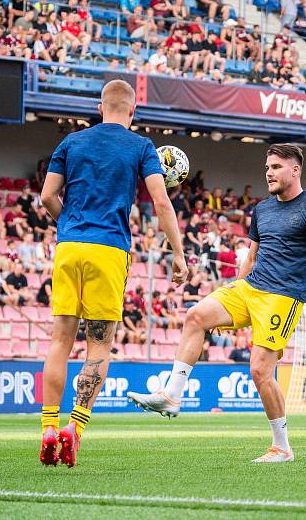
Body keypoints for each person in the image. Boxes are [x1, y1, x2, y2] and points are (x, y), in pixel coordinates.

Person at [127, 143, 306, 463]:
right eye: (267, 167)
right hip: (250, 288)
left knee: (259, 370)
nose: (269, 172)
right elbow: (252, 254)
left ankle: (282, 447)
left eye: (276, 167)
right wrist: (235, 287)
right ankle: (171, 396)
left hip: (283, 298)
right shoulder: (262, 209)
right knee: (196, 315)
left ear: (295, 170)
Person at [38, 80, 188, 468]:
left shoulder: (70, 142)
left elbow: (47, 196)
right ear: (133, 111)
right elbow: (161, 202)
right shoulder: (141, 147)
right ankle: (76, 429)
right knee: (98, 347)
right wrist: (178, 253)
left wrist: (68, 223)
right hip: (109, 250)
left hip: (69, 246)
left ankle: (48, 430)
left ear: (100, 107)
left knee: (60, 341)